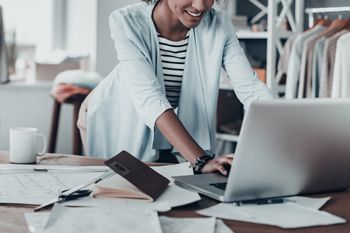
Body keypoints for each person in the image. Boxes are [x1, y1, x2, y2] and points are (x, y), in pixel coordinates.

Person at [78, 0, 274, 175]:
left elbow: (250, 88)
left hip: (163, 122)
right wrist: (200, 161)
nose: (200, 5)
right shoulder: (126, 21)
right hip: (114, 115)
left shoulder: (219, 23)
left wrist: (285, 136)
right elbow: (150, 98)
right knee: (121, 192)